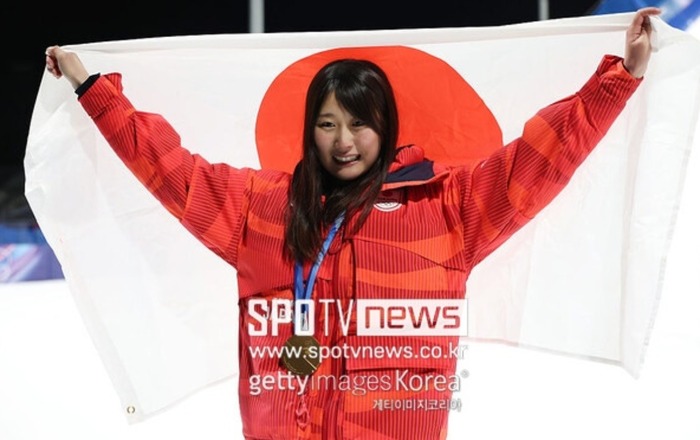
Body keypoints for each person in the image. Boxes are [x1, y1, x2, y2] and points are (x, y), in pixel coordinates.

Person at [45, 7, 661, 440]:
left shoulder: (447, 209)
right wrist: (92, 87)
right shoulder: (262, 210)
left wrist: (620, 78)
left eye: (360, 123)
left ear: (385, 126)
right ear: (308, 130)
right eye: (328, 124)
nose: (344, 142)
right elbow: (167, 168)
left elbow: (541, 160)